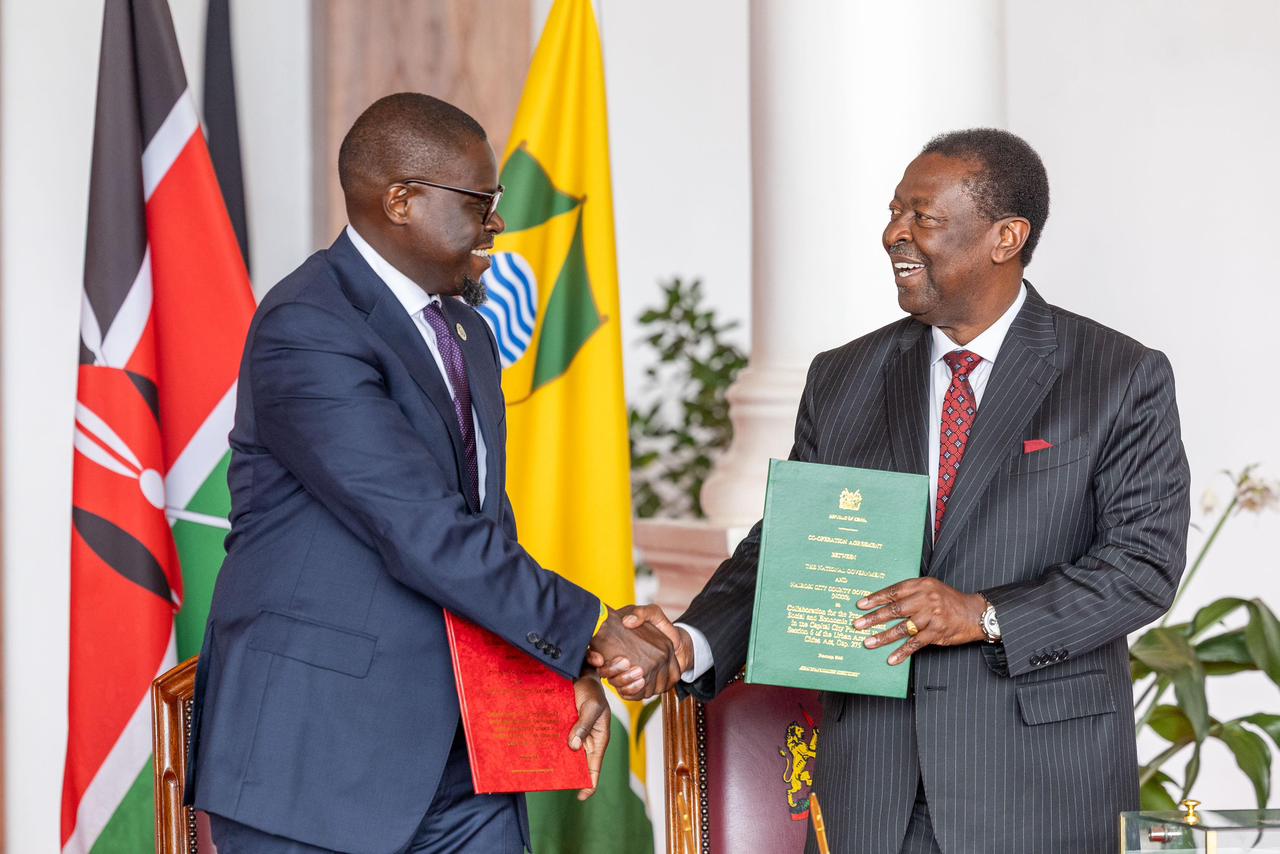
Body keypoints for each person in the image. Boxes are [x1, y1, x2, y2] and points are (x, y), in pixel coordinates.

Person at [599, 129, 1190, 853]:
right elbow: (788, 546)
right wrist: (689, 642)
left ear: (1006, 237)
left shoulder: (1118, 376)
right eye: (893, 213)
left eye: (922, 217)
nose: (893, 235)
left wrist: (980, 614)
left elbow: (1141, 567)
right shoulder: (843, 376)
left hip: (1040, 789)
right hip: (874, 790)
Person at [185, 92, 676, 854]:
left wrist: (557, 666)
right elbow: (421, 527)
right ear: (402, 201)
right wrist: (592, 629)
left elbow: (484, 525)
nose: (497, 223)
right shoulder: (307, 325)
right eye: (480, 202)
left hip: (465, 764)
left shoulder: (469, 331)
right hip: (317, 766)